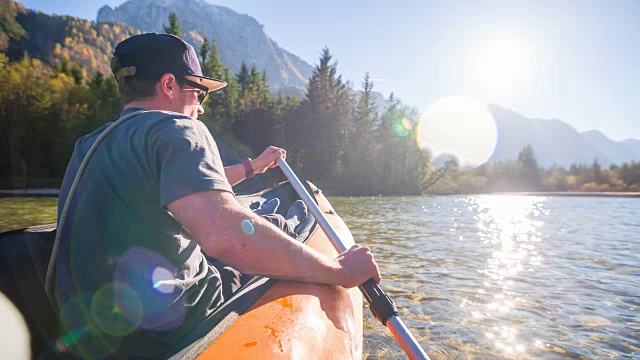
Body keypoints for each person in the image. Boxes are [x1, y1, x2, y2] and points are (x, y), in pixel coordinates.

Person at [53, 33, 380, 358]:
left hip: (99, 326)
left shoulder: (90, 145)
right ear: (169, 86)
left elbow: (190, 184)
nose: (201, 108)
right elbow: (225, 237)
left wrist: (252, 167)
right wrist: (338, 271)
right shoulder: (176, 129)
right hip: (173, 325)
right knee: (279, 221)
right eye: (199, 93)